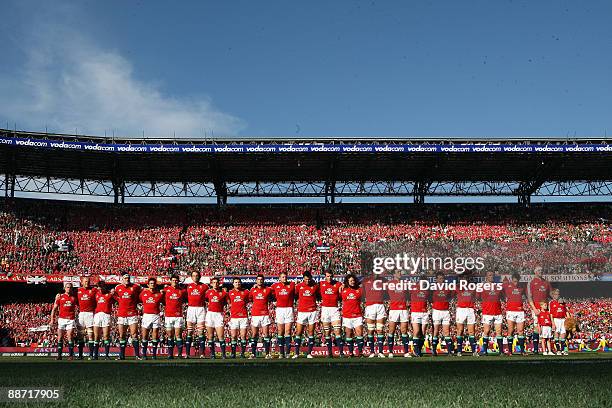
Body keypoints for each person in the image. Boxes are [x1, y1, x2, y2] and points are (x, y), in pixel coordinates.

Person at [114, 273, 142, 360]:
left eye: (128, 278)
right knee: (122, 335)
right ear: (122, 279)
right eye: (125, 278)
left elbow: (143, 291)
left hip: (132, 314)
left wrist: (138, 301)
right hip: (122, 314)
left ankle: (137, 355)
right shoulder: (118, 288)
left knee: (134, 334)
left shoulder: (135, 286)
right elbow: (113, 294)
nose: (127, 279)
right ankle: (121, 355)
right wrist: (119, 300)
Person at [293, 271, 319, 358]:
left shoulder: (315, 286)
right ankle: (296, 353)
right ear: (303, 279)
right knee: (298, 332)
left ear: (311, 278)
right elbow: (293, 294)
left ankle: (309, 353)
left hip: (312, 311)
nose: (307, 281)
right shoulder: (299, 286)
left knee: (311, 332)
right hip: (302, 311)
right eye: (306, 279)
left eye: (309, 279)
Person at [527, 266, 552, 354]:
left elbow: (551, 295)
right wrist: (534, 309)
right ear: (535, 272)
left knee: (547, 327)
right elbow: (529, 297)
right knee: (536, 328)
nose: (540, 271)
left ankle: (548, 349)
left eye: (541, 270)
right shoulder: (531, 282)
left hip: (545, 308)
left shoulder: (546, 282)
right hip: (536, 308)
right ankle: (536, 349)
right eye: (538, 270)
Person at [319, 270, 344, 358]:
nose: (329, 278)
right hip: (325, 310)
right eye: (327, 276)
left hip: (334, 309)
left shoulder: (338, 284)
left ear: (333, 276)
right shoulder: (321, 284)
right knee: (327, 332)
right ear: (325, 276)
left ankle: (341, 353)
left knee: (337, 331)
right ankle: (329, 353)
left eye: (330, 276)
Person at [49, 282, 77, 360]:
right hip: (61, 319)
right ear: (64, 288)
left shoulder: (74, 298)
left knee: (70, 337)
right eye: (67, 287)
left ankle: (71, 355)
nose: (69, 289)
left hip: (70, 319)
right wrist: (52, 320)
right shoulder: (60, 297)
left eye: (70, 287)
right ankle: (59, 355)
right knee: (60, 337)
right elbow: (54, 309)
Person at [479, 271, 504, 356]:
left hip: (497, 312)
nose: (491, 277)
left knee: (499, 332)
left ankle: (501, 351)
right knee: (487, 331)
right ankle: (484, 351)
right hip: (487, 312)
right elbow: (478, 297)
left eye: (492, 275)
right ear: (486, 277)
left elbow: (503, 297)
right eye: (489, 275)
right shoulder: (482, 286)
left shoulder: (498, 286)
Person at [386, 270, 410, 358]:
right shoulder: (389, 283)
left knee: (404, 330)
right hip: (394, 309)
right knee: (391, 330)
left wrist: (407, 302)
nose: (399, 273)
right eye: (397, 272)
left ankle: (406, 352)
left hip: (403, 309)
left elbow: (408, 295)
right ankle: (390, 352)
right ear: (393, 274)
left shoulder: (404, 283)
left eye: (400, 272)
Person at [248, 274, 273, 359]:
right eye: (258, 279)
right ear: (256, 281)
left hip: (264, 314)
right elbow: (250, 299)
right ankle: (253, 354)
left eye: (261, 279)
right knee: (254, 334)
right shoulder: (252, 290)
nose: (260, 281)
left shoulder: (268, 289)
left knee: (266, 334)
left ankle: (267, 354)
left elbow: (273, 294)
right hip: (255, 314)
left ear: (263, 280)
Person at [362, 274, 387, 358]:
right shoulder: (365, 280)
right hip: (370, 306)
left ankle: (380, 352)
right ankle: (372, 352)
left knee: (380, 330)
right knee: (370, 330)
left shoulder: (383, 280)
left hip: (380, 306)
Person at [271, 272, 295, 358]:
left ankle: (288, 353)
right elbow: (266, 290)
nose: (284, 278)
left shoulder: (292, 284)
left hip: (289, 309)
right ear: (279, 278)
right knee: (280, 331)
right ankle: (281, 353)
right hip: (279, 310)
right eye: (282, 277)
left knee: (288, 331)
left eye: (285, 277)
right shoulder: (275, 286)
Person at [340, 273, 365, 357]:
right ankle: (351, 353)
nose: (352, 282)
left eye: (353, 280)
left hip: (357, 315)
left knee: (359, 333)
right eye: (350, 280)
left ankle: (360, 352)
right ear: (347, 281)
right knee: (349, 334)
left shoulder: (359, 290)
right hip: (347, 316)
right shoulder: (343, 290)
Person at [185, 271, 208, 358]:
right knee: (189, 331)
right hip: (191, 309)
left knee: (201, 331)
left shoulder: (204, 286)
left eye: (197, 276)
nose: (195, 277)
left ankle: (202, 353)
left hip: (201, 309)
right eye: (194, 276)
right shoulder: (188, 286)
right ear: (191, 277)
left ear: (200, 277)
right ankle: (187, 354)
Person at [163, 274, 186, 359]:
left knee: (178, 335)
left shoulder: (182, 291)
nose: (175, 282)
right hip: (168, 315)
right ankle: (170, 354)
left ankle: (180, 354)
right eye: (173, 280)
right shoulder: (166, 290)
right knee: (170, 336)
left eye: (176, 280)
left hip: (178, 316)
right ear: (170, 281)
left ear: (178, 281)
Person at [140, 277, 163, 359]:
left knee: (155, 335)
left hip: (156, 315)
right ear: (148, 285)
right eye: (151, 283)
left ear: (155, 285)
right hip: (146, 315)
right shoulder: (143, 293)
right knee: (145, 335)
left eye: (153, 283)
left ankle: (154, 355)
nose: (152, 285)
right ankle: (144, 355)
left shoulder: (159, 294)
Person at [431, 272, 453, 356]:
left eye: (442, 278)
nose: (441, 280)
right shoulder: (433, 288)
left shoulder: (447, 288)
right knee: (435, 331)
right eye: (439, 278)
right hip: (436, 311)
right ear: (436, 279)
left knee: (447, 332)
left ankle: (450, 351)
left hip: (445, 311)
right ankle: (434, 350)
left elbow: (451, 296)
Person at [504, 273, 527, 355]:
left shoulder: (522, 287)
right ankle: (510, 351)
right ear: (512, 280)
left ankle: (522, 351)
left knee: (521, 331)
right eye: (514, 281)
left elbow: (528, 295)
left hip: (520, 311)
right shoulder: (507, 286)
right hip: (510, 311)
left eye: (517, 281)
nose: (515, 283)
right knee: (511, 330)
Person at [205, 277, 227, 359]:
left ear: (219, 283)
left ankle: (223, 354)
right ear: (211, 284)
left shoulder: (223, 293)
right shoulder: (208, 292)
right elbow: (205, 300)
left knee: (221, 335)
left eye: (217, 282)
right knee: (210, 336)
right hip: (210, 314)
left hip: (219, 315)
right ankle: (212, 354)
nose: (215, 284)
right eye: (213, 282)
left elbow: (226, 302)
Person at [76, 275, 98, 360]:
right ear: (82, 282)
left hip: (90, 314)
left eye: (88, 281)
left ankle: (91, 355)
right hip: (81, 314)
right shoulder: (78, 290)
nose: (87, 283)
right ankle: (80, 355)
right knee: (80, 335)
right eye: (85, 281)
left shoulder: (94, 290)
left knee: (90, 334)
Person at [455, 275, 478, 356]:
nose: (464, 279)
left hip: (470, 310)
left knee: (471, 332)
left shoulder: (472, 287)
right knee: (460, 331)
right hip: (461, 310)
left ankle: (474, 352)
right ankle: (459, 351)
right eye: (463, 278)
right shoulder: (457, 287)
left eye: (466, 278)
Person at [227, 277, 250, 358]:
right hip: (234, 317)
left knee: (243, 336)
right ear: (233, 284)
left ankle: (242, 353)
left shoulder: (246, 292)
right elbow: (229, 302)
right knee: (233, 336)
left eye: (239, 282)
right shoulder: (230, 292)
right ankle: (233, 353)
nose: (237, 284)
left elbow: (247, 300)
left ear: (241, 283)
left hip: (243, 316)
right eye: (236, 282)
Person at [93, 281, 114, 360]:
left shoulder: (110, 294)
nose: (99, 288)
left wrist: (113, 291)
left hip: (106, 315)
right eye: (98, 287)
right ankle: (95, 355)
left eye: (100, 287)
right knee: (96, 336)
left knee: (106, 336)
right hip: (97, 315)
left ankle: (107, 355)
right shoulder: (96, 293)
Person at [410, 275, 430, 357]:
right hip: (415, 312)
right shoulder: (414, 287)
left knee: (423, 333)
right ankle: (416, 350)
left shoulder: (427, 290)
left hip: (424, 313)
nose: (424, 283)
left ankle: (418, 349)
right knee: (417, 331)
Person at [549, 288, 571, 355]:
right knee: (556, 334)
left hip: (563, 319)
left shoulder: (563, 302)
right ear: (553, 295)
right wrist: (553, 323)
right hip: (556, 319)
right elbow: (551, 314)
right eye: (555, 294)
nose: (557, 295)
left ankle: (562, 350)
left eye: (558, 294)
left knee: (563, 334)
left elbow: (566, 312)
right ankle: (558, 350)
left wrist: (568, 319)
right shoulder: (551, 303)